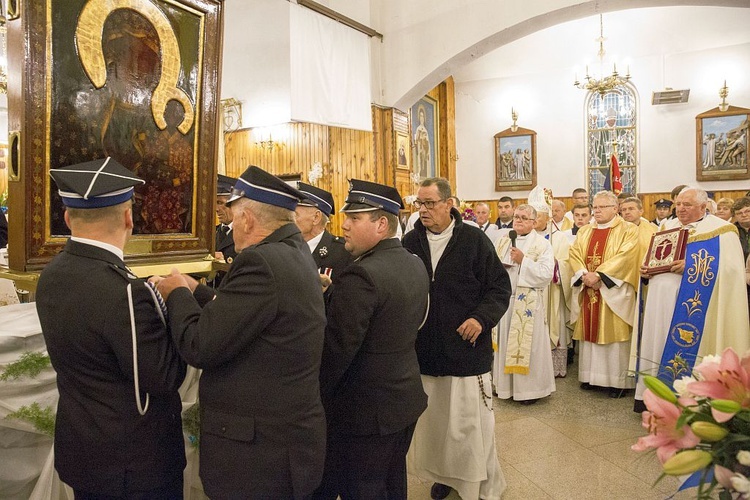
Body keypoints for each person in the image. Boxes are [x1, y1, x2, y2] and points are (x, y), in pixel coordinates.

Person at [153, 166, 327, 499]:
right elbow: (254, 312)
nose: (231, 227)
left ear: (247, 218)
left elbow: (200, 344)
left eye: (233, 217)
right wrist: (197, 290)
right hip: (286, 436)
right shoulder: (293, 251)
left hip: (258, 452)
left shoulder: (260, 262)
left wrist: (176, 292)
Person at [36, 158, 187, 498]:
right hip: (134, 466)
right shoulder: (126, 293)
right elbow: (163, 379)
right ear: (128, 217)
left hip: (84, 453)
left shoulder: (51, 275)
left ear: (67, 217)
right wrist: (174, 303)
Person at [314, 179, 429, 499]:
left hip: (365, 410)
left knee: (362, 487)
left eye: (354, 218)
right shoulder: (413, 261)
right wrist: (334, 294)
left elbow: (337, 350)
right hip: (402, 397)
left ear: (381, 224)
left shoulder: (360, 274)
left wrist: (313, 395)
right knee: (392, 482)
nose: (344, 225)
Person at [403, 177, 510, 500]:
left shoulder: (474, 240)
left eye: (430, 203)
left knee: (468, 426)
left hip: (465, 351)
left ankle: (477, 483)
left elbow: (499, 288)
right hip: (426, 352)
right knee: (435, 426)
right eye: (419, 204)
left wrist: (481, 318)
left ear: (450, 204)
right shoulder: (410, 243)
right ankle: (445, 476)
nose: (423, 210)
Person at [634, 187, 750, 412]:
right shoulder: (667, 227)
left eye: (687, 205)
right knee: (658, 342)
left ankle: (693, 400)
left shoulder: (721, 231)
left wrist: (692, 266)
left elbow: (731, 271)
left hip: (697, 306)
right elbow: (656, 257)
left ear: (703, 207)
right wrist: (646, 272)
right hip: (661, 302)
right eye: (678, 204)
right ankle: (656, 398)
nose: (681, 209)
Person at [568, 190, 640, 398]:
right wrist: (583, 274)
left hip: (613, 291)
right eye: (595, 207)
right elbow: (574, 253)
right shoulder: (585, 231)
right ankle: (591, 377)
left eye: (602, 207)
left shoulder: (628, 230)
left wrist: (600, 276)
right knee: (590, 336)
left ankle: (617, 382)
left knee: (614, 337)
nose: (596, 211)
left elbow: (627, 256)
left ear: (615, 208)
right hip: (589, 287)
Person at [493, 204, 555, 403]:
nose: (517, 220)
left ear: (534, 222)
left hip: (527, 303)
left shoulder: (542, 244)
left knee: (528, 347)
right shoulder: (503, 240)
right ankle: (504, 388)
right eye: (516, 217)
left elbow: (546, 275)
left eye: (523, 218)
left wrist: (523, 260)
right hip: (505, 301)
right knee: (504, 345)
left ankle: (529, 392)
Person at [296, 182, 353, 292]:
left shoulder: (344, 252)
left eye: (295, 215)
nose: (290, 220)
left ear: (316, 218)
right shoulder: (286, 247)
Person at [207, 174, 238, 289]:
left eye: (220, 203)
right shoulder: (211, 233)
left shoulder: (246, 235)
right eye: (214, 203)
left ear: (234, 204)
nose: (216, 209)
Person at [619, 197, 656, 263]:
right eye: (624, 210)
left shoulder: (653, 229)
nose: (627, 212)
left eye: (631, 209)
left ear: (641, 211)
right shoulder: (616, 230)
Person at [733, 197, 750, 262]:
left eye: (748, 211)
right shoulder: (731, 231)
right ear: (734, 216)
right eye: (739, 213)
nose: (744, 215)